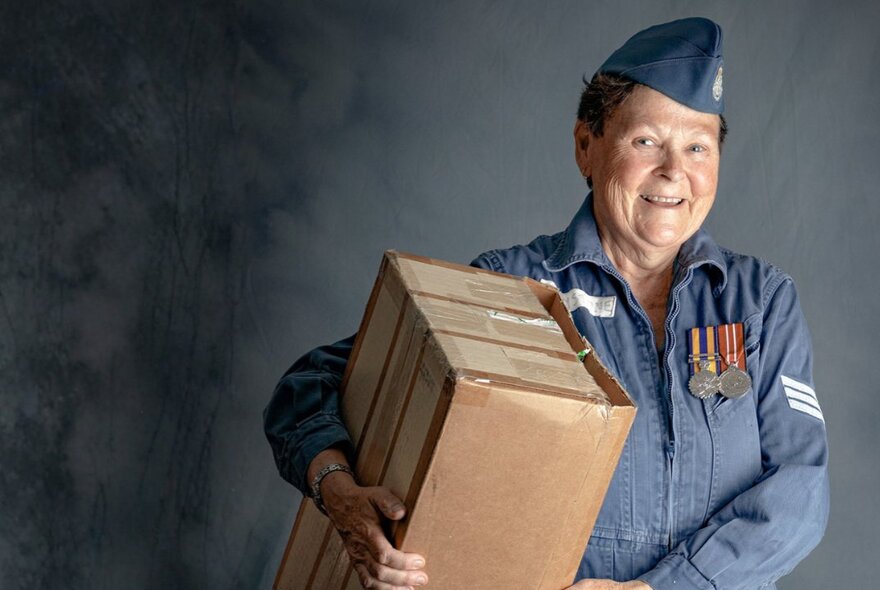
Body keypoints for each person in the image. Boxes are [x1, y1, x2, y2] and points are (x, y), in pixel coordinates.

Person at [264, 17, 829, 590]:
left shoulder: (758, 302)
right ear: (587, 145)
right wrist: (337, 488)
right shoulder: (515, 289)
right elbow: (310, 385)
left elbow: (799, 491)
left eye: (697, 147)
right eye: (646, 141)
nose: (674, 172)